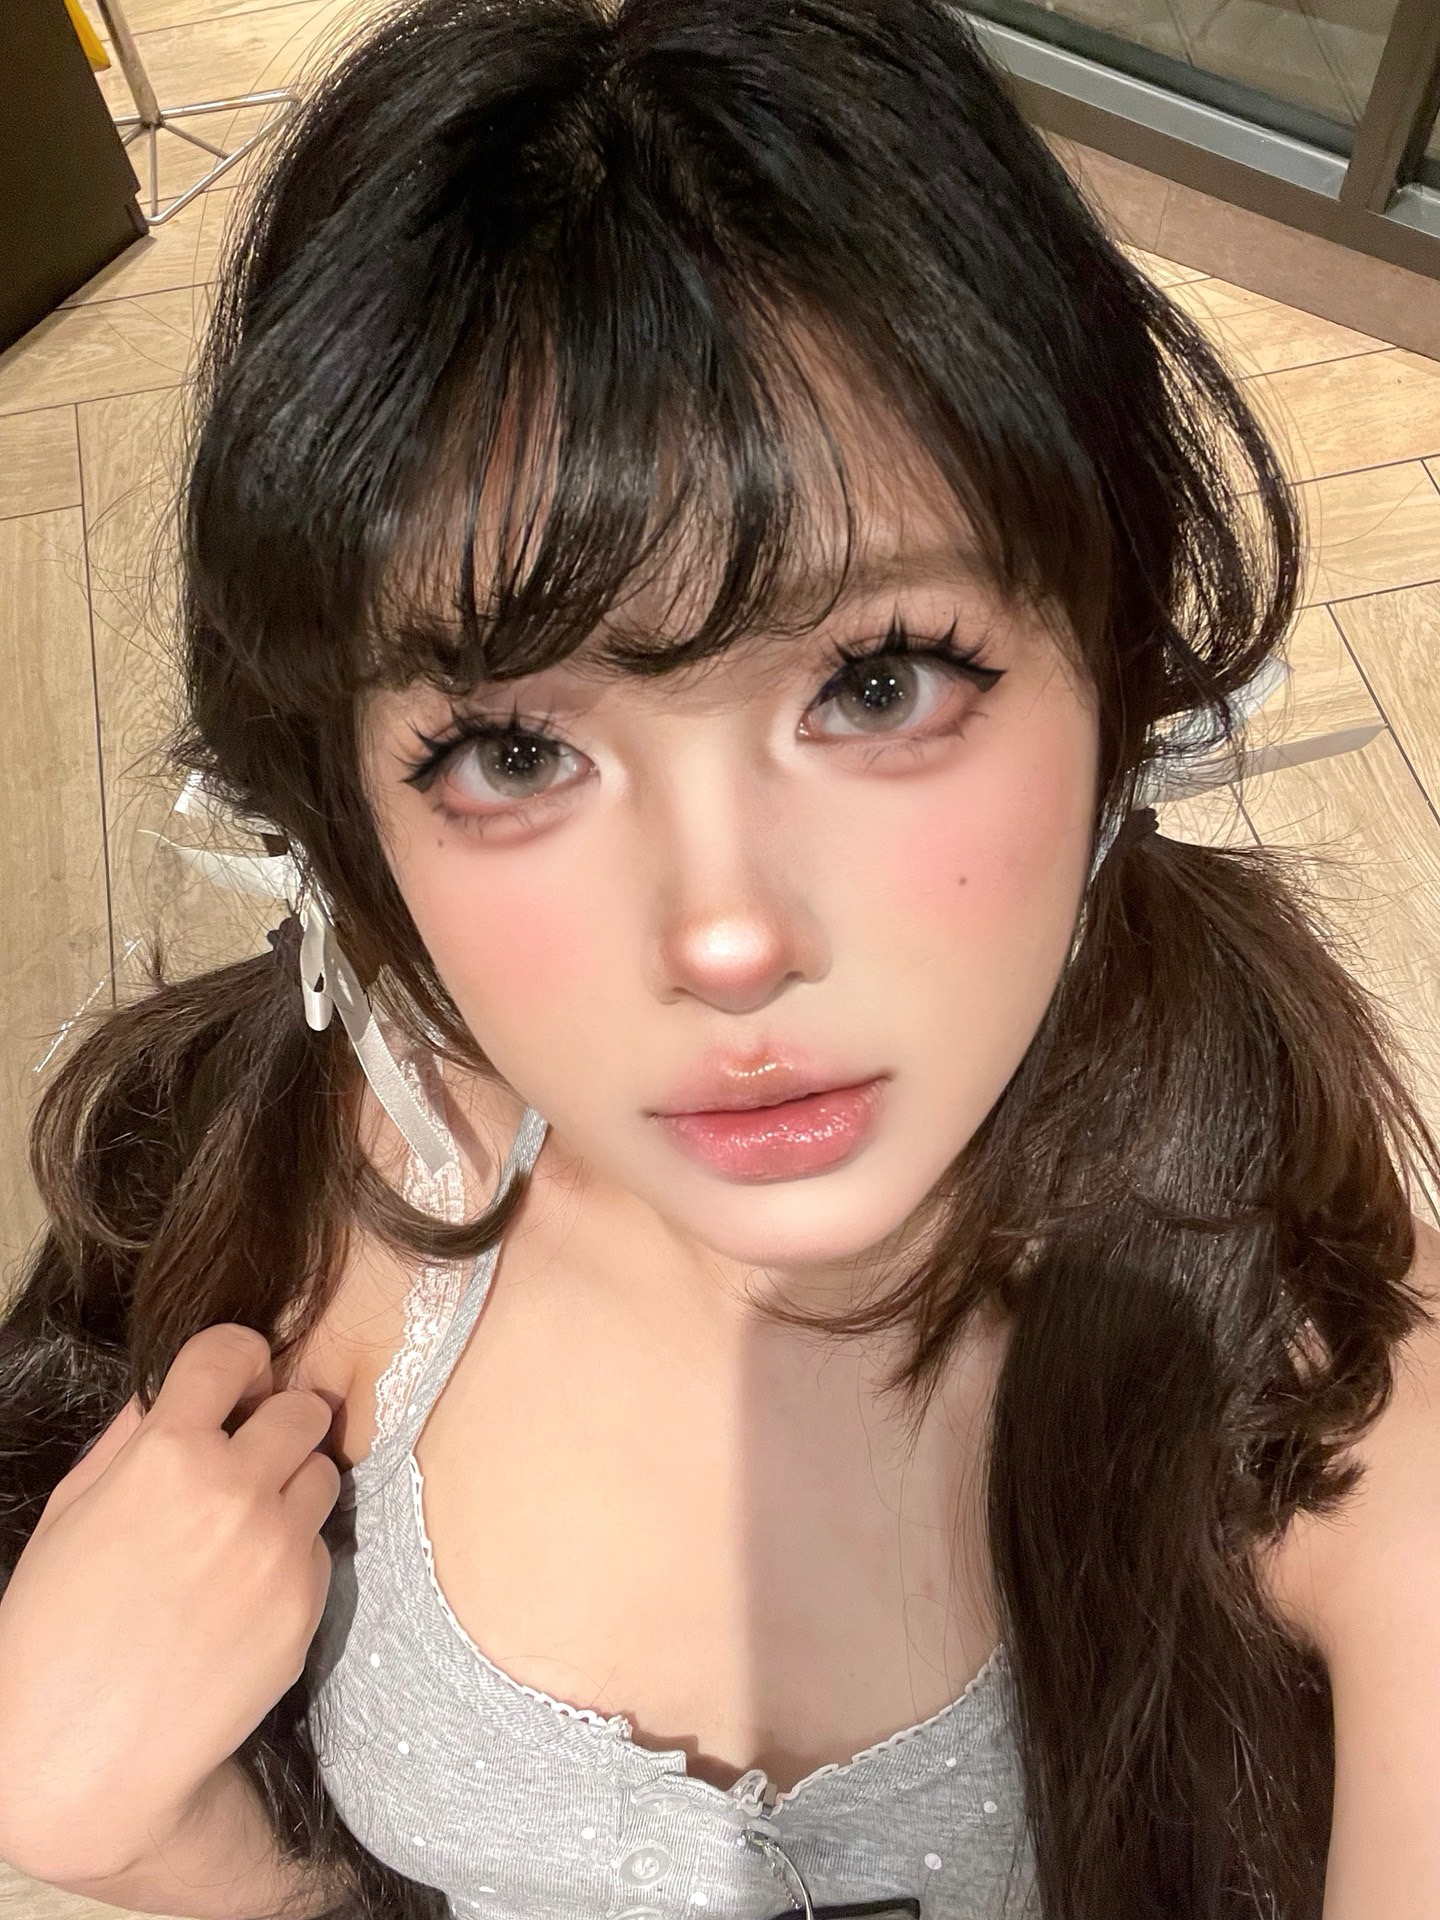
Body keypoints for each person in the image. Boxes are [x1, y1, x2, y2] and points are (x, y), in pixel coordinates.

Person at [2, 1, 1439, 1916]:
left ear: (1112, 674)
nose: (729, 938)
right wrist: (160, 1844)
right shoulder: (266, 1198)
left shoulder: (1314, 1388)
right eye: (515, 752)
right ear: (341, 805)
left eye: (880, 682)